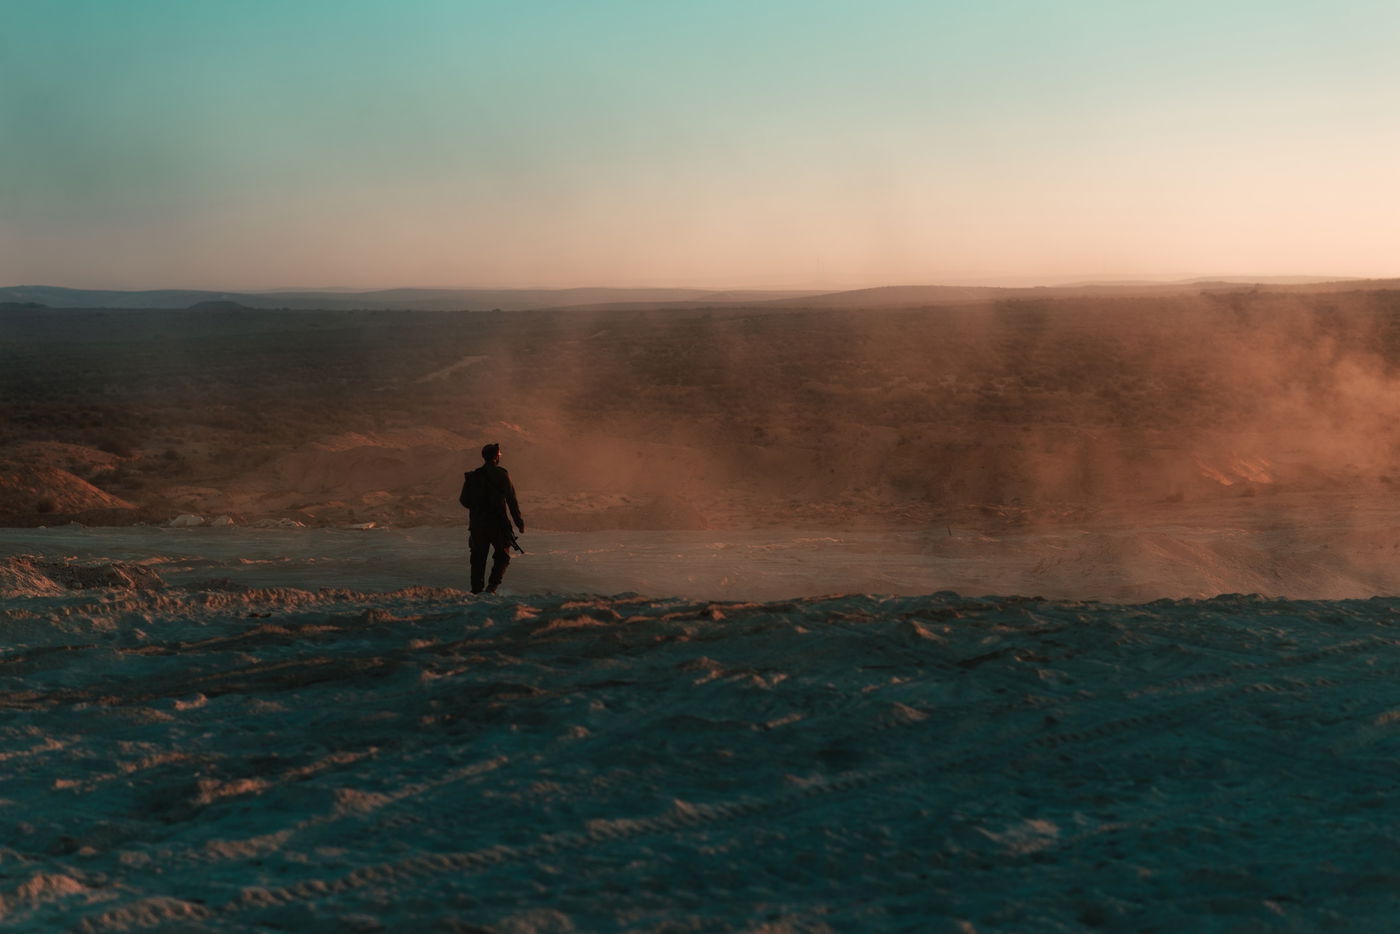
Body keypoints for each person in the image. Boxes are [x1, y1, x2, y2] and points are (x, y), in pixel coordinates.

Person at [460, 442, 525, 594]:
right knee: (503, 557)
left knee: (477, 559)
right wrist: (519, 522)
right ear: (496, 457)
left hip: (478, 524)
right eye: (499, 454)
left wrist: (478, 509)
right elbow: (511, 500)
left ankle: (476, 589)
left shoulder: (473, 476)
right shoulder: (502, 474)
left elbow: (464, 500)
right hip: (498, 523)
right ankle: (492, 587)